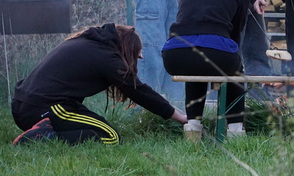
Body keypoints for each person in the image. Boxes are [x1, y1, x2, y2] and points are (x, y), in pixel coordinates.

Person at [11, 23, 187, 145]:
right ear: (128, 50)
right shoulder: (107, 58)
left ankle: (45, 130)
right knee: (110, 137)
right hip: (45, 107)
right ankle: (45, 135)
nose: (135, 62)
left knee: (98, 129)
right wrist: (178, 115)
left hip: (24, 107)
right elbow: (138, 91)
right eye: (136, 56)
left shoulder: (87, 43)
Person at [162, 0, 251, 140]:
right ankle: (235, 131)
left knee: (195, 68)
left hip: (174, 54)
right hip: (217, 54)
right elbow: (236, 33)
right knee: (235, 72)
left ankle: (192, 127)